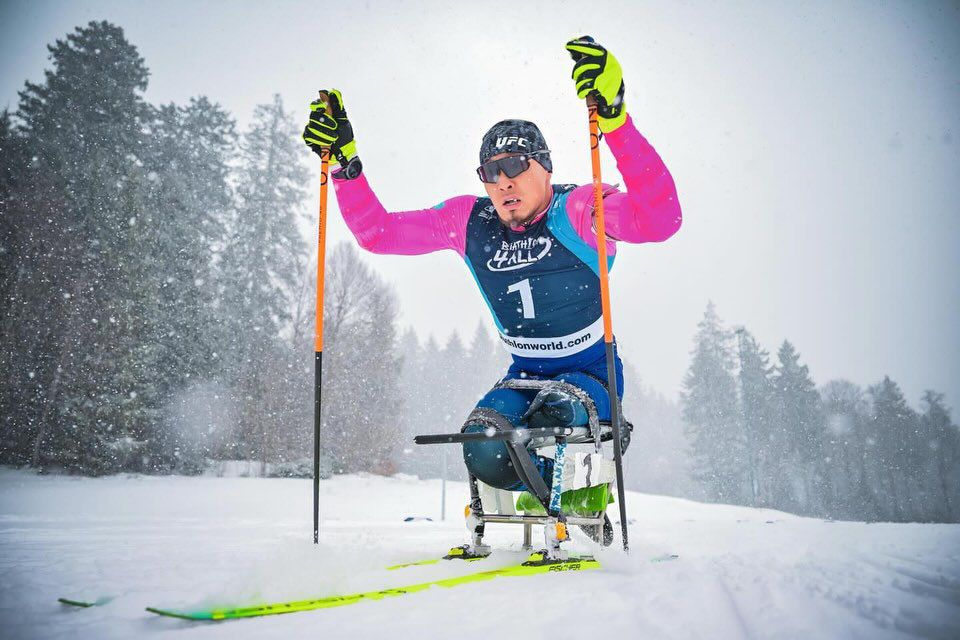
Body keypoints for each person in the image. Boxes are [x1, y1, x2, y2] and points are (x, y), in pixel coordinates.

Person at [303, 36, 681, 498]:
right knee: (483, 447)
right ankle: (549, 493)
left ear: (545, 167)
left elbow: (660, 220)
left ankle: (577, 489)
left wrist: (616, 121)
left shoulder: (579, 210)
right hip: (525, 377)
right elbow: (377, 233)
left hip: (590, 374)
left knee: (554, 418)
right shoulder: (469, 222)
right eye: (490, 172)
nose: (503, 182)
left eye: (516, 165)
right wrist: (344, 167)